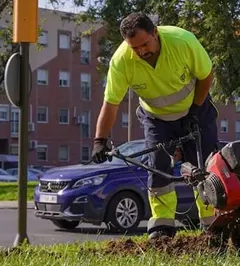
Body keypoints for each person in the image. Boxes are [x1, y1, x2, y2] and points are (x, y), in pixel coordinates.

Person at [92, 13, 220, 239]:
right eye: (134, 48)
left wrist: (195, 111)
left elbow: (206, 75)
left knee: (206, 166)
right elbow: (111, 103)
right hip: (156, 119)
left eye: (144, 44)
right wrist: (99, 141)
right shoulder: (121, 61)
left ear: (155, 33)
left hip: (195, 111)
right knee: (158, 167)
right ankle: (162, 227)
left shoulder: (183, 42)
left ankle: (213, 224)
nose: (141, 51)